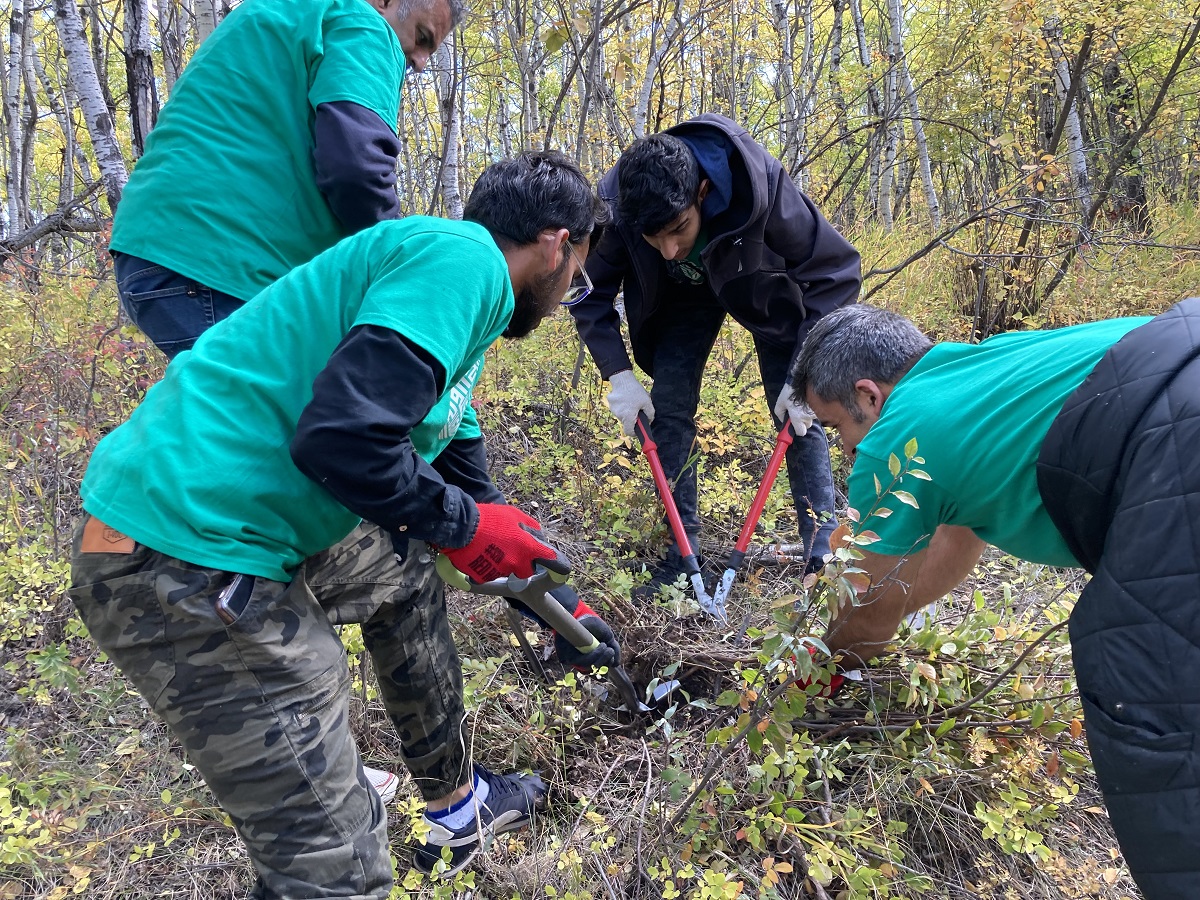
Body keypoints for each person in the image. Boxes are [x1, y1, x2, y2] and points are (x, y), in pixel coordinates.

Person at [69, 151, 616, 896]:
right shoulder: (466, 267)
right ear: (558, 242)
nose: (565, 295)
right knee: (336, 866)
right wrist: (460, 524)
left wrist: (542, 593)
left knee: (402, 568)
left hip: (214, 524)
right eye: (577, 273)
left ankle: (458, 807)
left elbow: (453, 450)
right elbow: (344, 439)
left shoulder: (447, 284)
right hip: (179, 556)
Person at [789, 300, 1200, 899]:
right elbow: (957, 537)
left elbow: (865, 609)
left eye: (838, 429)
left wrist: (813, 664)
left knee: (1141, 693)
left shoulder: (897, 435)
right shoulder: (979, 374)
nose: (849, 449)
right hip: (1181, 348)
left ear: (869, 396)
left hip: (1177, 445)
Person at [569, 113, 861, 590]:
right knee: (669, 406)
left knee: (798, 409)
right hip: (678, 300)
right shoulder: (618, 207)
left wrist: (806, 368)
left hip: (760, 288)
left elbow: (836, 269)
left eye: (679, 228)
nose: (668, 248)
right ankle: (679, 563)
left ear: (702, 191)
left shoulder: (757, 183)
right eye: (653, 238)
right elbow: (588, 291)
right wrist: (617, 374)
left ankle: (821, 555)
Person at [109, 0, 461, 358]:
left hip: (155, 247)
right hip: (222, 264)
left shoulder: (274, 12)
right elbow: (357, 170)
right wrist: (400, 261)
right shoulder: (361, 22)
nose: (420, 61)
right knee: (286, 412)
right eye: (422, 38)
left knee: (226, 409)